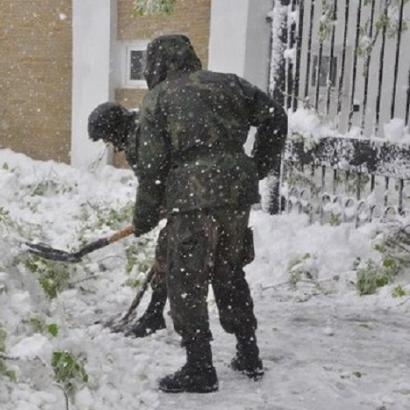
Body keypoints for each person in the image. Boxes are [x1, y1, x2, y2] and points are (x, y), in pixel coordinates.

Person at [130, 34, 287, 393]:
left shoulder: (158, 98)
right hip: (236, 195)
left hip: (192, 197)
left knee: (186, 280)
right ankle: (249, 353)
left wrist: (145, 215)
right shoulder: (230, 83)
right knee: (228, 270)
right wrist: (257, 165)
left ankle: (200, 367)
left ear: (156, 64)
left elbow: (152, 167)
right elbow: (275, 115)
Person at [88, 103, 168, 338]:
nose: (112, 145)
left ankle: (154, 317)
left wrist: (144, 219)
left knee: (170, 257)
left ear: (116, 128)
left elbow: (151, 181)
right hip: (191, 195)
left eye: (108, 137)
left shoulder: (141, 137)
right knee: (167, 255)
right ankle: (153, 315)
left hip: (196, 198)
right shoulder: (142, 129)